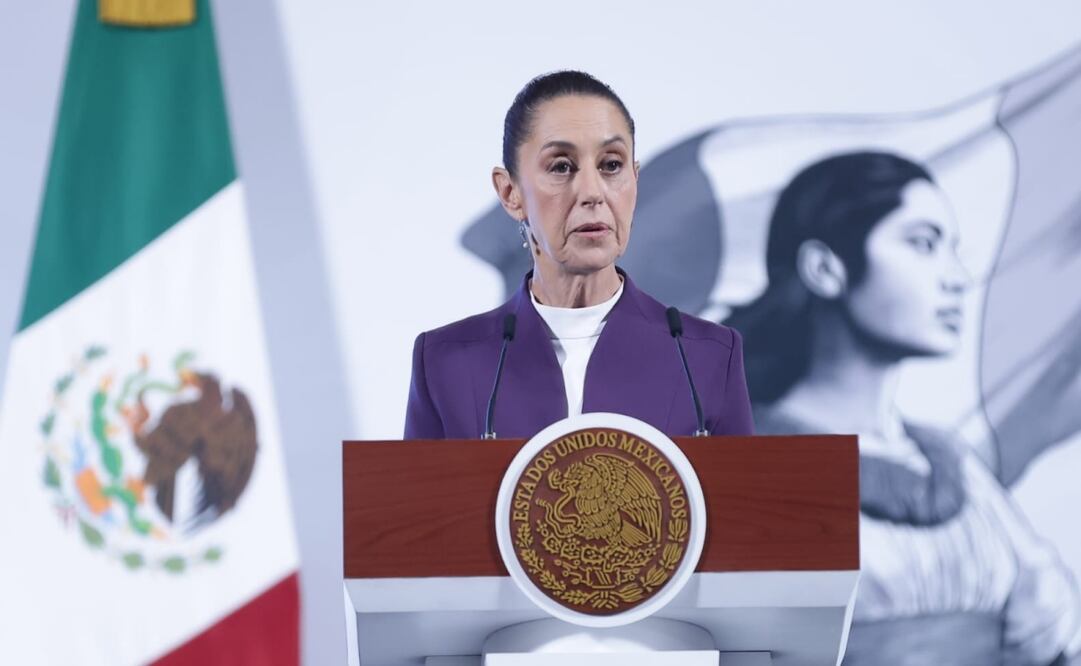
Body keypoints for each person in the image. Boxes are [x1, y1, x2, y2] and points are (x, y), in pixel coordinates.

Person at [727, 151, 1080, 665]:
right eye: (922, 244)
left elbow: (1051, 634)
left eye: (953, 250)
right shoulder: (749, 467)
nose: (957, 278)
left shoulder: (955, 466)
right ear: (825, 268)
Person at [404, 71, 753, 440]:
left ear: (635, 180)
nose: (592, 192)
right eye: (561, 166)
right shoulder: (446, 363)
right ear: (510, 192)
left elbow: (745, 498)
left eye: (611, 165)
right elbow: (418, 498)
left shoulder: (705, 357)